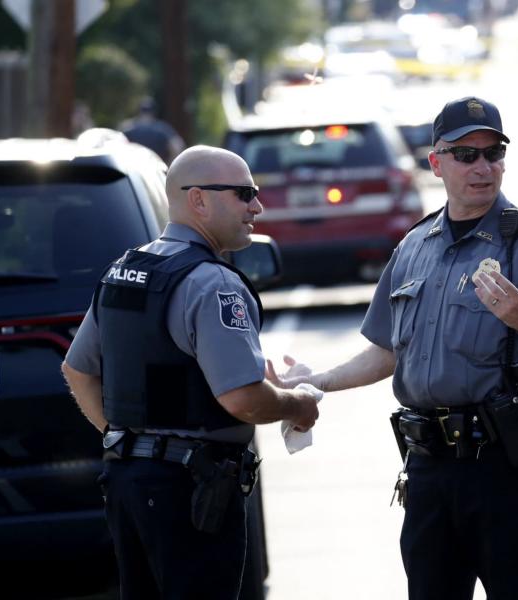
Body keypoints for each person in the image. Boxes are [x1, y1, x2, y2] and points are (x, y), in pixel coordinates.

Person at [270, 96, 518, 600]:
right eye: (466, 155)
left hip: (505, 469)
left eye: (494, 153)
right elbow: (387, 350)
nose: (483, 167)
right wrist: (316, 382)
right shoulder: (414, 246)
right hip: (428, 470)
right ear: (436, 162)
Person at [61, 145, 322, 598]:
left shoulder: (123, 271)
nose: (256, 206)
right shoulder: (212, 282)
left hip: (128, 483)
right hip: (190, 492)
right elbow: (241, 398)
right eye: (244, 194)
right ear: (198, 199)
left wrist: (133, 442)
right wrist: (297, 404)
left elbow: (78, 370)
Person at [120, 97, 185, 164]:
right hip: (156, 168)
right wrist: (169, 164)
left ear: (140, 111)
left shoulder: (128, 127)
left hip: (134, 168)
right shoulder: (162, 128)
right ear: (153, 112)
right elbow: (177, 146)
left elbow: (116, 145)